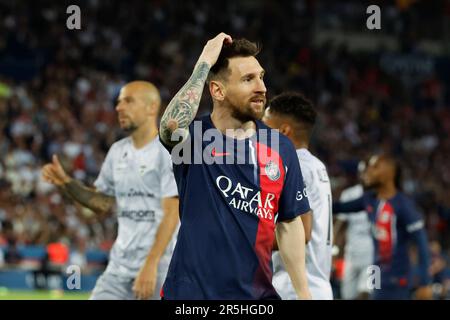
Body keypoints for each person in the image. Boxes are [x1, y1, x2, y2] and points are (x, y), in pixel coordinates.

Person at [158, 33, 312, 300]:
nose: (262, 87)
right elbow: (170, 127)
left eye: (261, 77)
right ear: (218, 90)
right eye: (248, 79)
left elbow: (289, 223)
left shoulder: (280, 148)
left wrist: (304, 293)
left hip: (255, 299)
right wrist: (205, 61)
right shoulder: (194, 140)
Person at [41, 81, 179, 300]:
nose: (119, 107)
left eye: (128, 101)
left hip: (160, 267)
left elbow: (171, 213)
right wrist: (65, 182)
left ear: (152, 107)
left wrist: (151, 264)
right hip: (118, 269)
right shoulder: (117, 151)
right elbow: (101, 203)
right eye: (118, 102)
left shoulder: (167, 150)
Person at [263, 92, 333, 300]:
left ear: (284, 131)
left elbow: (302, 230)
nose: (258, 132)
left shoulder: (295, 166)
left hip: (293, 288)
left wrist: (245, 238)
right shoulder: (315, 165)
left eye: (265, 126)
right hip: (315, 284)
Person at [333, 154, 432, 300]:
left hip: (398, 278)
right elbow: (339, 207)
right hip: (376, 273)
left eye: (374, 167)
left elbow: (422, 244)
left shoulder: (403, 205)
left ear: (389, 174)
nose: (367, 171)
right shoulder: (369, 200)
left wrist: (425, 283)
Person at [334, 160, 374, 300]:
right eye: (363, 173)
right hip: (351, 254)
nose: (365, 176)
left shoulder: (382, 196)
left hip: (374, 257)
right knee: (347, 295)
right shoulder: (349, 194)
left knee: (369, 294)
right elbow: (340, 224)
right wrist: (333, 248)